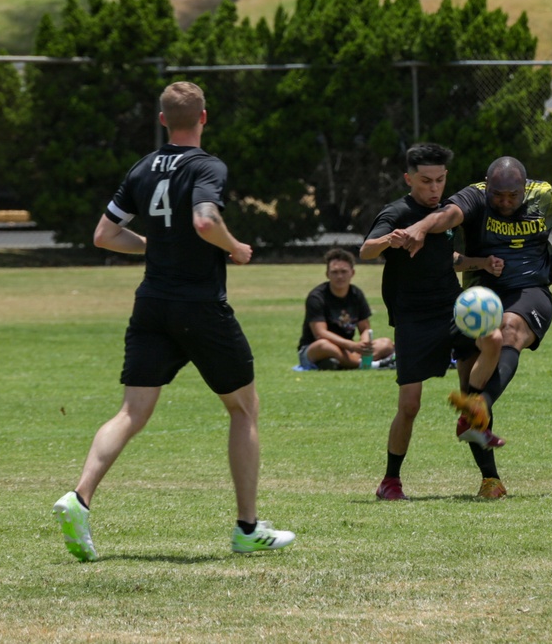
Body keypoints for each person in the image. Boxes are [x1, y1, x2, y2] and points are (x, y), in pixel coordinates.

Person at [52, 81, 295, 561]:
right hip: (200, 306)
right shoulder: (208, 166)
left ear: (163, 120)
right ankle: (247, 528)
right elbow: (205, 220)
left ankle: (78, 497)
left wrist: (152, 245)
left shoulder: (142, 168)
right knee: (244, 409)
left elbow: (104, 234)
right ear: (204, 117)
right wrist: (235, 247)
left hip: (152, 305)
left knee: (130, 413)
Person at [403, 156, 552, 497]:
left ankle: (480, 404)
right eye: (498, 195)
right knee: (469, 382)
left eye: (512, 196)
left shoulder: (543, 195)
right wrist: (422, 227)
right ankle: (490, 480)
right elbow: (450, 214)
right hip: (479, 297)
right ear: (488, 185)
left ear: (524, 188)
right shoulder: (475, 196)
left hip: (530, 291)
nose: (504, 202)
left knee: (510, 330)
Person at [360, 143, 505, 501]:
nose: (434, 189)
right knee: (410, 405)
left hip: (453, 311)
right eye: (426, 181)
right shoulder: (396, 212)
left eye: (440, 180)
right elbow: (365, 250)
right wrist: (388, 241)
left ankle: (489, 477)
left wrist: (480, 263)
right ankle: (390, 481)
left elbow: (447, 258)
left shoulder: (446, 214)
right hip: (413, 319)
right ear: (409, 178)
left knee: (492, 345)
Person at [297, 248, 395, 371]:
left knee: (386, 343)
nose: (339, 276)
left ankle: (339, 363)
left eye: (344, 271)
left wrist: (364, 344)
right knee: (325, 346)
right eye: (335, 272)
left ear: (352, 273)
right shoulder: (316, 297)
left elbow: (364, 328)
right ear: (327, 274)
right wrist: (353, 345)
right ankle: (371, 364)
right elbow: (320, 334)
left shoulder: (356, 294)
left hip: (348, 349)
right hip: (315, 348)